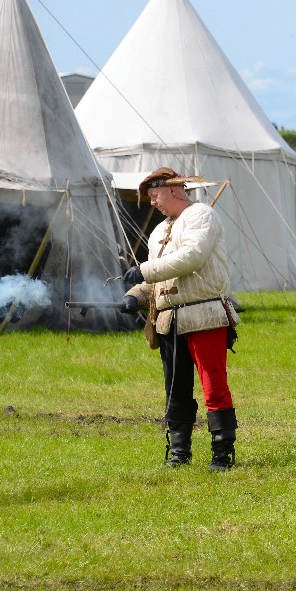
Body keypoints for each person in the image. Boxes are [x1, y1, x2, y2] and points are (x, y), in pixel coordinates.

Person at [121, 167, 241, 472]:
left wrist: (145, 270)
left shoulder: (201, 215)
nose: (153, 203)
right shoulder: (159, 231)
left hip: (204, 314)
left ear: (174, 190)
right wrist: (136, 294)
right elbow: (158, 277)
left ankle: (222, 454)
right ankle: (178, 453)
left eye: (155, 195)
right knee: (175, 389)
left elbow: (192, 258)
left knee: (213, 385)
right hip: (169, 321)